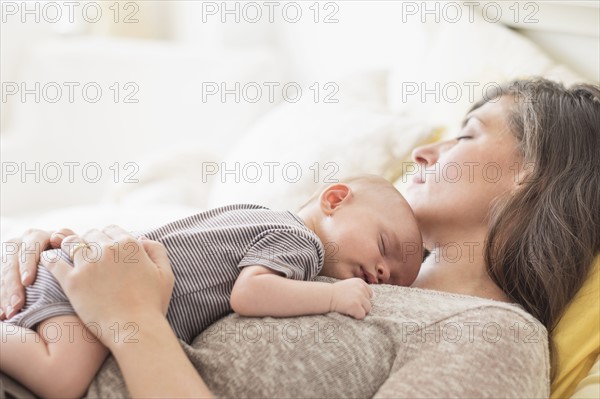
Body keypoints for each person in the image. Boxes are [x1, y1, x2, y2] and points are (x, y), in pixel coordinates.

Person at [1, 79, 598, 398]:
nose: (424, 151)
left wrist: (130, 321)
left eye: (467, 136)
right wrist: (62, 261)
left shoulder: (494, 336)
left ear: (539, 172)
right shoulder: (324, 263)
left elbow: (139, 317)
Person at [0, 175, 423, 398]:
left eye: (398, 279)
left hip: (80, 275)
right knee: (62, 379)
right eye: (385, 247)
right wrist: (333, 295)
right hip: (83, 290)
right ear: (334, 200)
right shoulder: (303, 244)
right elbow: (250, 293)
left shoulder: (257, 214)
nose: (385, 273)